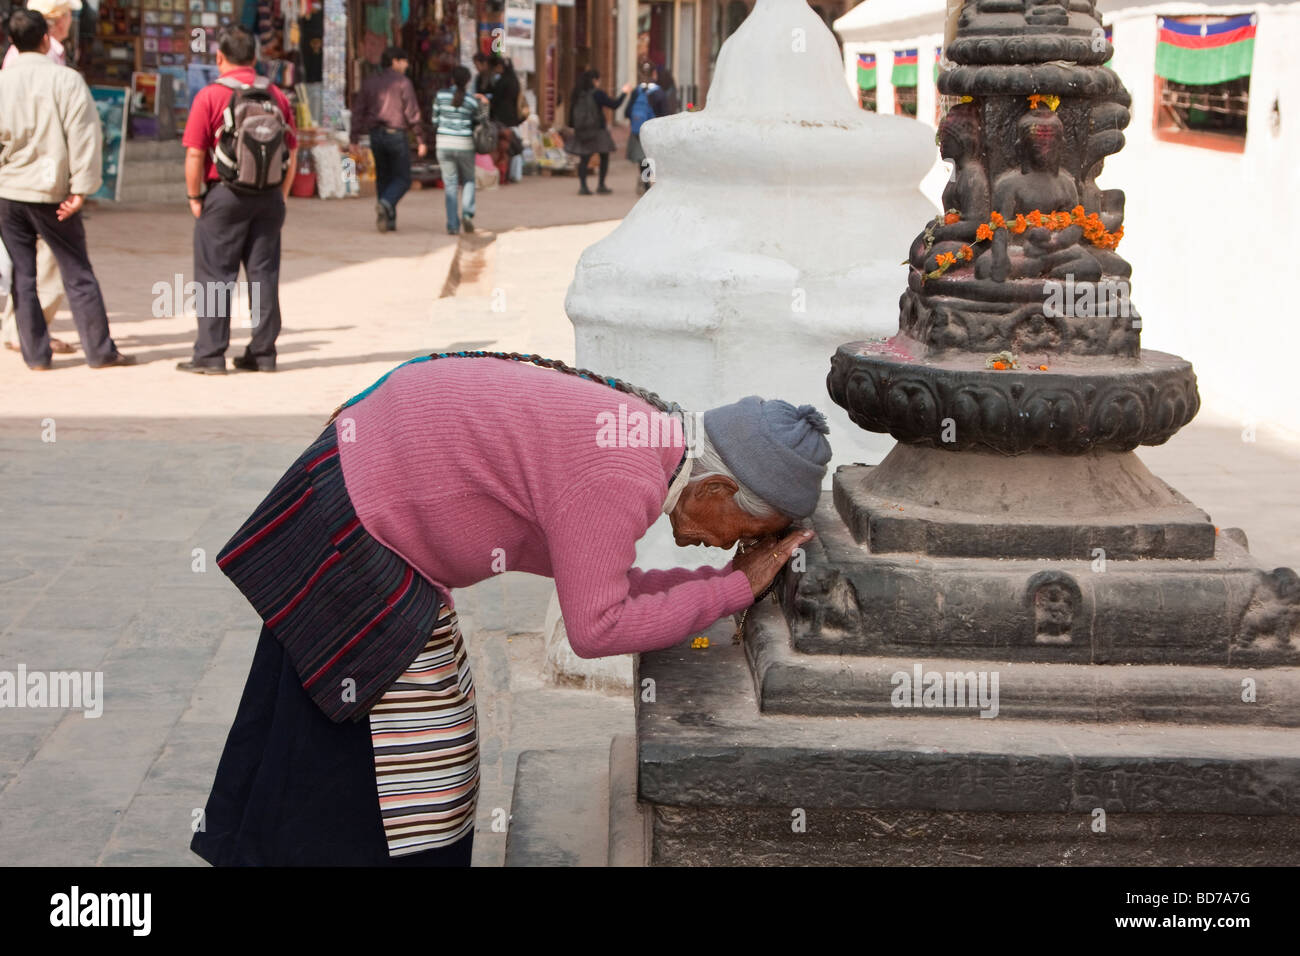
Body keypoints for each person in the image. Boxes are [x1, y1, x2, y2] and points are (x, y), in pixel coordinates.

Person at [190, 351, 828, 866]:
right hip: (358, 519)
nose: (734, 545)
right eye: (745, 529)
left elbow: (612, 588)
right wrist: (734, 589)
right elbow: (597, 627)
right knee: (423, 754)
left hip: (360, 485)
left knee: (329, 723)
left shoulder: (649, 444)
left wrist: (722, 586)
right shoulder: (623, 476)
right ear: (716, 487)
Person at [0, 9, 134, 371]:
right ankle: (99, 350)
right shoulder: (67, 80)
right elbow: (85, 136)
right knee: (76, 271)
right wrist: (82, 187)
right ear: (46, 38)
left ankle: (35, 355)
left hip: (10, 194)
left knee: (23, 275)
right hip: (52, 192)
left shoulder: (3, 82)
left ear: (12, 42)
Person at [179, 24, 297, 375]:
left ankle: (211, 355)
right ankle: (262, 354)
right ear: (255, 58)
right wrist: (282, 195)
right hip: (270, 197)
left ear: (219, 57)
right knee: (264, 275)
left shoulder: (210, 96)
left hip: (225, 195)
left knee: (215, 276)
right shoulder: (276, 94)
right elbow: (293, 147)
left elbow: (195, 154)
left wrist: (194, 196)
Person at [0, 0, 81, 357]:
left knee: (30, 260)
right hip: (36, 174)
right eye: (66, 14)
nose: (71, 20)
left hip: (29, 172)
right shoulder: (36, 58)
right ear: (52, 21)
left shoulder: (50, 54)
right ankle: (27, 332)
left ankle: (23, 329)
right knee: (45, 259)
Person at [351, 46, 426, 233]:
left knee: (383, 177)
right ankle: (386, 203)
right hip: (395, 135)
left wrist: (354, 138)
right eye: (404, 61)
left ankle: (387, 220)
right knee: (403, 178)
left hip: (376, 135)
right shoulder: (403, 83)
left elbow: (358, 110)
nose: (407, 65)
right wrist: (420, 138)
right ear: (395, 61)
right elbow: (412, 113)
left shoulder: (370, 82)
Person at [432, 65, 487, 235]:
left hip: (443, 144)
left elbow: (434, 121)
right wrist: (484, 105)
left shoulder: (440, 96)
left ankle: (452, 225)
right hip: (465, 145)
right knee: (469, 180)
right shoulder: (471, 101)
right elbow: (479, 122)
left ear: (452, 79)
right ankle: (467, 214)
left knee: (450, 185)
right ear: (468, 81)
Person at [566, 69, 630, 196]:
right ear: (595, 80)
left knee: (584, 158)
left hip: (583, 130)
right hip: (598, 130)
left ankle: (583, 186)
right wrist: (624, 93)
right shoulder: (597, 94)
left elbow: (571, 115)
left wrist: (575, 128)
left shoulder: (578, 93)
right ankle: (601, 185)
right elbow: (614, 105)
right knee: (604, 156)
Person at [625, 60, 665, 194]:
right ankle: (647, 184)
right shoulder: (658, 92)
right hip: (653, 130)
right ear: (654, 73)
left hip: (638, 129)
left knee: (642, 157)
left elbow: (627, 111)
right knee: (650, 157)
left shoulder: (637, 91)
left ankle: (644, 181)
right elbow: (664, 113)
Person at [487, 55, 522, 183]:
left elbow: (496, 100)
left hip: (504, 120)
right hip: (514, 119)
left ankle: (507, 174)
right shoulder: (514, 80)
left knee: (505, 149)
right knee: (516, 147)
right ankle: (516, 174)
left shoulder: (502, 81)